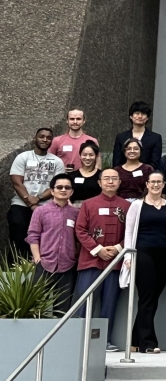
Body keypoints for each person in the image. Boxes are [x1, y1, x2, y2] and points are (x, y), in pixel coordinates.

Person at [123, 172, 166, 353]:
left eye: (159, 182)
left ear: (164, 184)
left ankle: (135, 339)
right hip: (143, 253)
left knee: (152, 299)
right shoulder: (137, 205)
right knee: (147, 297)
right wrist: (128, 255)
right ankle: (148, 343)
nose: (156, 185)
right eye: (153, 182)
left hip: (163, 255)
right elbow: (129, 231)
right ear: (147, 184)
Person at [73, 169, 129, 351]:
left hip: (115, 262)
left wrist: (118, 248)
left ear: (120, 182)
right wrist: (98, 250)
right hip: (91, 261)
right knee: (85, 301)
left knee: (109, 302)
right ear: (99, 183)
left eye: (114, 179)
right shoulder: (88, 204)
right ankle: (78, 339)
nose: (110, 182)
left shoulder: (127, 206)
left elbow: (132, 232)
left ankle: (104, 341)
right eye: (107, 178)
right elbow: (80, 230)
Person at [26, 174, 80, 313]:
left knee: (62, 309)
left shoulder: (76, 213)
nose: (63, 190)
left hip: (67, 265)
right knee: (35, 307)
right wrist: (37, 258)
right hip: (44, 263)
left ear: (72, 192)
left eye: (67, 187)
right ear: (52, 190)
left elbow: (79, 237)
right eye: (59, 187)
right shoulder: (41, 211)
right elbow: (33, 235)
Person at [9, 128, 64, 258]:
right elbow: (17, 182)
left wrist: (38, 198)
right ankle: (16, 270)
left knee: (43, 241)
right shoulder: (23, 157)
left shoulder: (57, 162)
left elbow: (58, 184)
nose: (45, 140)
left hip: (46, 206)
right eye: (42, 136)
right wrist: (30, 203)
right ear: (35, 138)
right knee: (18, 236)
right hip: (21, 204)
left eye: (49, 137)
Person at [112, 101, 163, 165]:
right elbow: (117, 161)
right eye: (137, 113)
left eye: (143, 114)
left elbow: (155, 162)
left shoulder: (155, 138)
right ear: (131, 116)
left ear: (147, 118)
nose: (140, 116)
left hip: (147, 173)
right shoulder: (121, 137)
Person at [66, 141, 103, 206]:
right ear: (80, 156)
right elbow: (66, 193)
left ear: (96, 156)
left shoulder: (101, 175)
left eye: (91, 155)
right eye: (84, 155)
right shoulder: (71, 175)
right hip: (74, 209)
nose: (87, 158)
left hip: (95, 208)